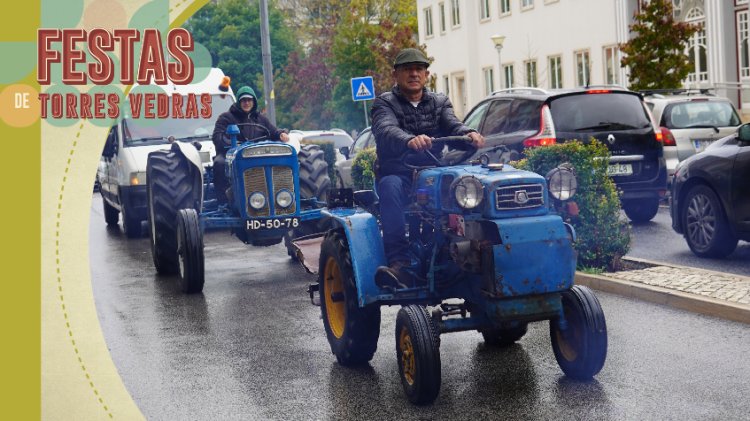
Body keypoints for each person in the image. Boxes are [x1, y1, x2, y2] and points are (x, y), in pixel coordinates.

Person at [371, 48, 485, 289]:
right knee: (389, 187)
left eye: (419, 69)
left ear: (426, 75)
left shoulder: (439, 102)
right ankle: (399, 263)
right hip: (399, 174)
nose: (414, 74)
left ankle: (467, 255)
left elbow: (453, 124)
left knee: (468, 188)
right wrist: (408, 139)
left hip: (434, 172)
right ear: (396, 74)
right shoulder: (384, 103)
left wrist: (468, 133)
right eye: (407, 69)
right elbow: (385, 129)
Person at [212, 86, 290, 204]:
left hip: (257, 155)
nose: (246, 103)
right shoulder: (226, 118)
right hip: (232, 155)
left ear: (253, 101)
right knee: (219, 163)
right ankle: (225, 202)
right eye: (243, 100)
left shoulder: (260, 119)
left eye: (249, 100)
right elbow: (217, 137)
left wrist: (281, 134)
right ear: (238, 102)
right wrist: (234, 144)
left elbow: (273, 131)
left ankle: (281, 198)